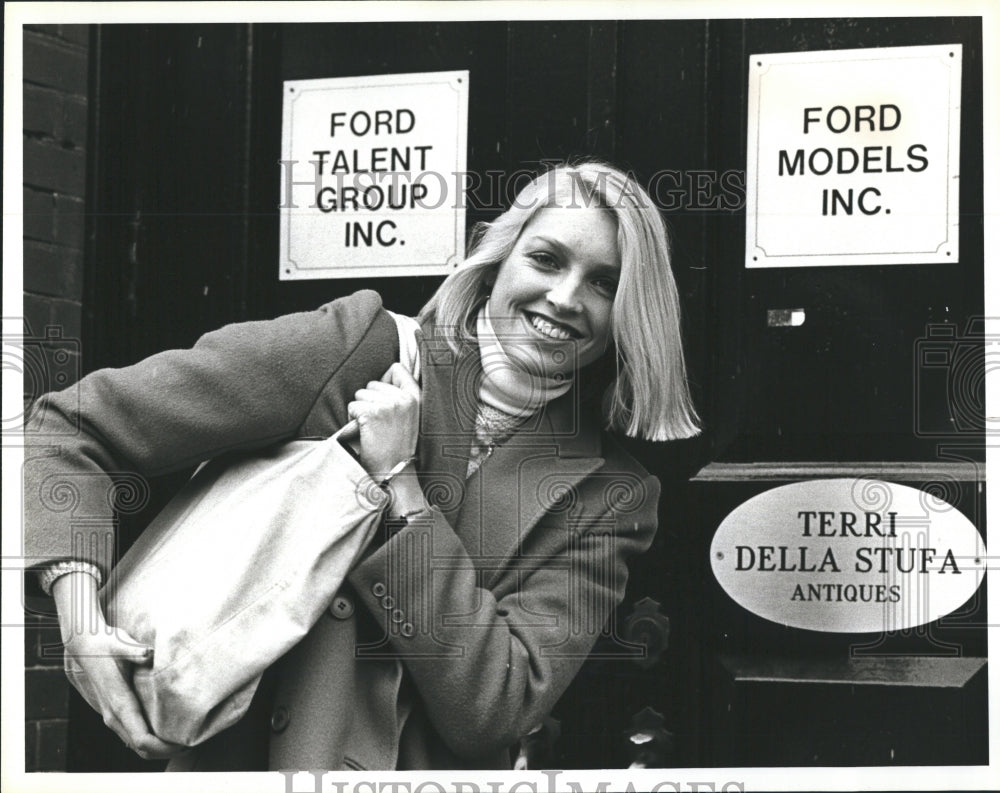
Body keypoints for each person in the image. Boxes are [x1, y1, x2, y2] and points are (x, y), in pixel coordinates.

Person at [23, 160, 700, 770]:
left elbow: (494, 708)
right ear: (499, 260)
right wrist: (81, 622)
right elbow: (72, 425)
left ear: (629, 315)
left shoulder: (611, 492)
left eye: (603, 283)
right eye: (547, 259)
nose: (564, 298)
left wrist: (402, 487)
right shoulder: (356, 349)